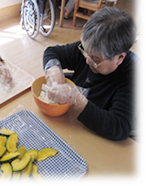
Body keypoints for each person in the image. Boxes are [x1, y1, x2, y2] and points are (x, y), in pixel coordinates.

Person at [43, 7, 136, 141]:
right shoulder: (91, 48)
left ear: (119, 58)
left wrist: (78, 101)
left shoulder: (132, 78)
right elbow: (52, 52)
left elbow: (119, 127)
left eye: (95, 59)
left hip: (94, 136)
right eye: (85, 52)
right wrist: (54, 70)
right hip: (68, 123)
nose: (87, 60)